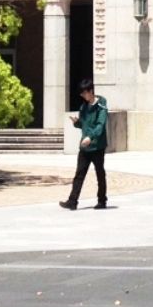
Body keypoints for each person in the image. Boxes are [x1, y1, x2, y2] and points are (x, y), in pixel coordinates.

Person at [59, 79, 109, 211]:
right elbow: (83, 124)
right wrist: (76, 123)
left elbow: (100, 125)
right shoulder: (84, 107)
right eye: (81, 94)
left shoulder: (101, 107)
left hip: (97, 146)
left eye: (84, 93)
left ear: (91, 91)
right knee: (79, 174)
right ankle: (72, 201)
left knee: (100, 173)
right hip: (85, 147)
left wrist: (90, 137)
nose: (83, 96)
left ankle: (102, 201)